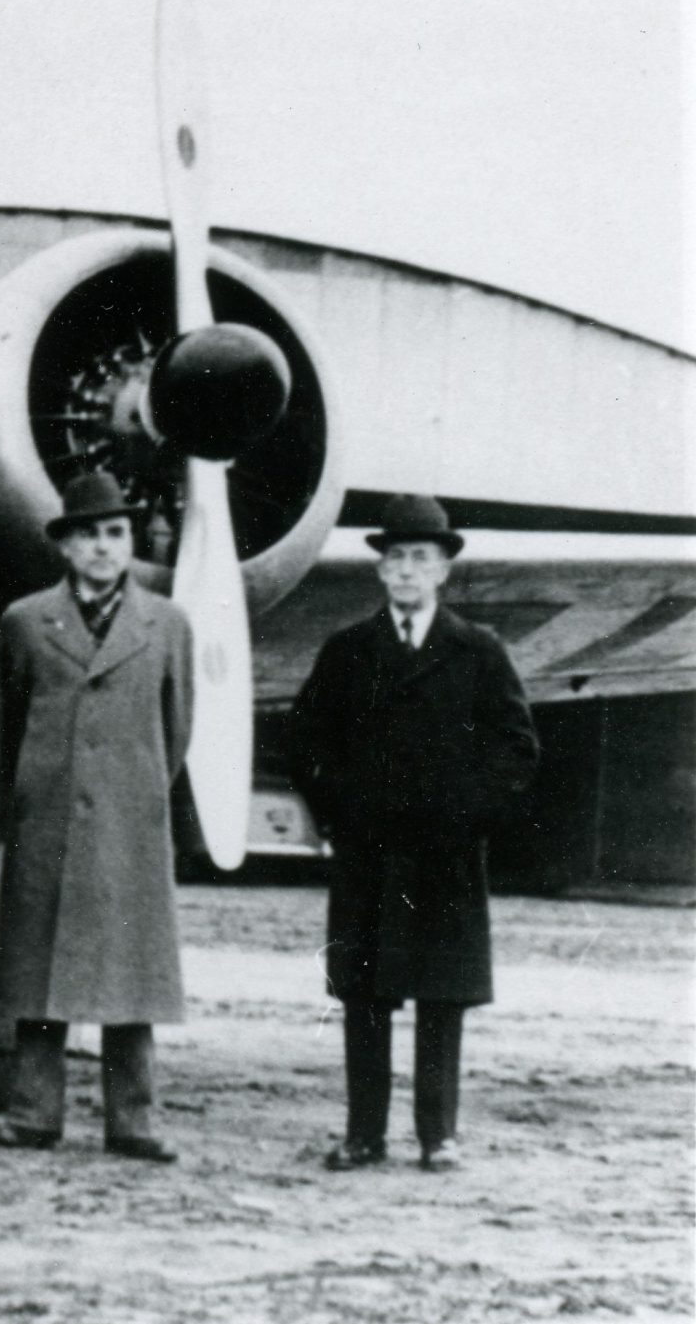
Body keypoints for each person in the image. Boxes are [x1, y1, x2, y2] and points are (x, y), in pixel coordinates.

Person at [291, 494, 538, 1173]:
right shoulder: (347, 652)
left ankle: (439, 1135)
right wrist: (340, 813)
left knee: (440, 998)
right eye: (394, 557)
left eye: (419, 558)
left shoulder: (479, 651)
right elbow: (305, 739)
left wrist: (467, 814)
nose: (405, 570)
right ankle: (363, 1134)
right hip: (368, 854)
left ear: (442, 571)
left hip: (443, 856)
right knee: (365, 996)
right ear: (378, 571)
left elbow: (517, 747)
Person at [0, 469, 192, 1164]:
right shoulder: (23, 621)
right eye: (87, 535)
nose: (102, 547)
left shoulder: (167, 623)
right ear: (64, 546)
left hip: (130, 826)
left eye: (114, 533)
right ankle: (31, 1112)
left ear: (130, 541)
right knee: (39, 972)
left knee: (131, 978)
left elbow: (177, 726)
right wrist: (31, 794)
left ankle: (134, 1120)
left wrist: (133, 791)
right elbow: (6, 722)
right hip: (47, 822)